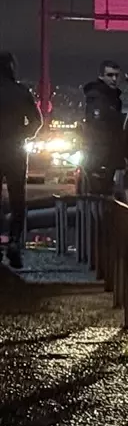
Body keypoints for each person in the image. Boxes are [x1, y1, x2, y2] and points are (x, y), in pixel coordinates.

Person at [0, 52, 42, 268]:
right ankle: (14, 242)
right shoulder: (21, 92)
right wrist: (23, 133)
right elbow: (37, 121)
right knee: (18, 200)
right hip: (15, 151)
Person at [81, 60, 124, 196]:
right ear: (101, 76)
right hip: (100, 158)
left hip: (105, 157)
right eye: (110, 75)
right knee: (100, 197)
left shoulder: (112, 98)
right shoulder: (98, 98)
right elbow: (99, 130)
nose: (114, 79)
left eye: (116, 75)